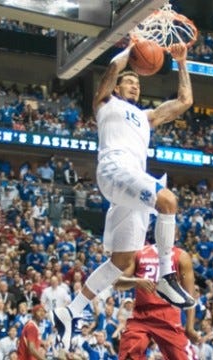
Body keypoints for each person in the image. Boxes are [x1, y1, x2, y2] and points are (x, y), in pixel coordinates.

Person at [53, 42, 195, 350]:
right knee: (168, 201)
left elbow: (185, 100)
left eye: (137, 82)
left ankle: (70, 311)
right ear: (117, 87)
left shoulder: (146, 117)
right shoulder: (105, 104)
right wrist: (130, 49)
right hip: (115, 170)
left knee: (120, 261)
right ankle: (167, 277)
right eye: (129, 81)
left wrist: (181, 62)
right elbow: (112, 71)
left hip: (132, 185)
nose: (134, 84)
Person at [115, 244, 199, 359]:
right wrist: (136, 281)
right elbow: (117, 282)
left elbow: (190, 295)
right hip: (141, 315)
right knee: (128, 355)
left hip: (168, 315)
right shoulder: (139, 252)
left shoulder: (181, 256)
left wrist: (190, 326)